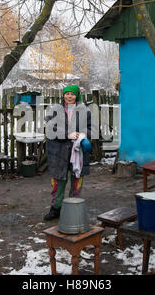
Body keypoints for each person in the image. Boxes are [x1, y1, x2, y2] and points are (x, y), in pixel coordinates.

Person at [43, 84, 92, 221]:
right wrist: (67, 134)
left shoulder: (85, 111)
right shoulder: (54, 110)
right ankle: (55, 209)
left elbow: (92, 129)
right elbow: (50, 130)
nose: (69, 96)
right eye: (67, 93)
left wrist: (82, 135)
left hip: (78, 152)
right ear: (63, 95)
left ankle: (72, 209)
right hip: (58, 152)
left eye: (72, 94)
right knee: (58, 182)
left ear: (77, 95)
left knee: (76, 182)